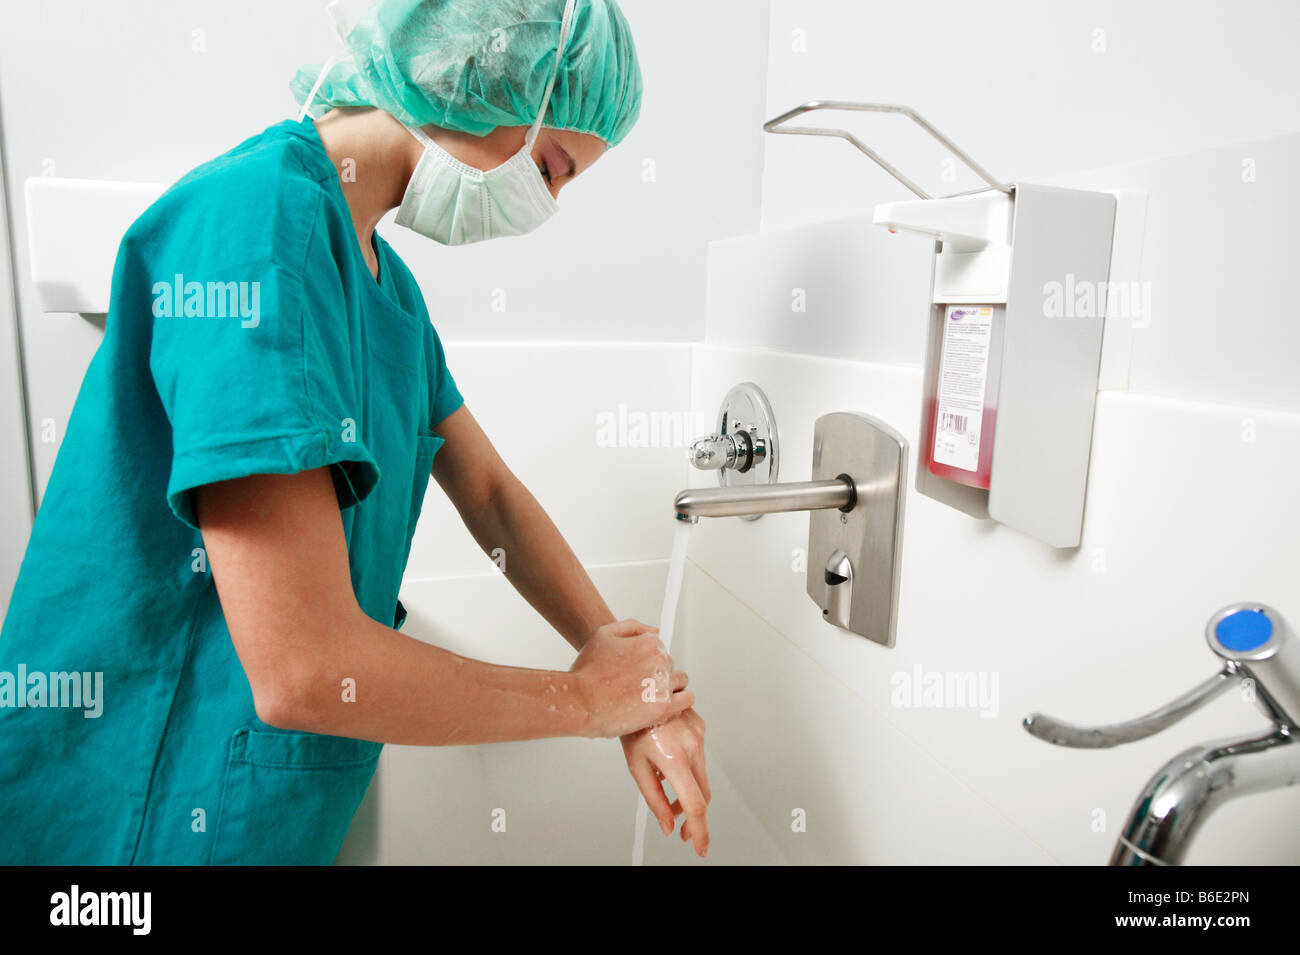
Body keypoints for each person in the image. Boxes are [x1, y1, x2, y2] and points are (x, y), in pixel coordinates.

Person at [0, 0, 710, 865]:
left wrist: (619, 661)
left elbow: (488, 490)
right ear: (485, 77)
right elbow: (303, 667)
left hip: (268, 810)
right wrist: (589, 705)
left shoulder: (391, 292)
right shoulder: (254, 222)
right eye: (556, 167)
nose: (548, 202)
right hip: (137, 806)